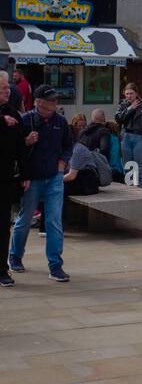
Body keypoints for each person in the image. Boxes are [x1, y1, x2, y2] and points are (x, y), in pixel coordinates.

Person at [9, 85, 73, 283]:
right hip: (32, 179)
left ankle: (55, 265)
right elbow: (14, 148)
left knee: (54, 221)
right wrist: (26, 142)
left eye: (55, 100)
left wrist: (62, 163)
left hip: (54, 177)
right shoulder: (25, 120)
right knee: (25, 218)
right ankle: (15, 255)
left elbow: (68, 146)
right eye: (50, 100)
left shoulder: (61, 122)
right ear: (38, 102)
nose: (54, 103)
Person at [0, 72, 30, 287]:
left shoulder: (14, 114)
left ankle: (2, 270)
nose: (7, 91)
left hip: (5, 178)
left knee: (3, 225)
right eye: (2, 88)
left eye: (7, 88)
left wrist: (25, 174)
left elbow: (21, 147)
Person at [116, 83, 142, 187]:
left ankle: (141, 191)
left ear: (136, 94)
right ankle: (129, 191)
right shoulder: (123, 104)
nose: (129, 96)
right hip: (126, 136)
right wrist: (130, 109)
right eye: (127, 94)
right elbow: (119, 119)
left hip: (140, 138)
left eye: (131, 93)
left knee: (139, 167)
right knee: (129, 166)